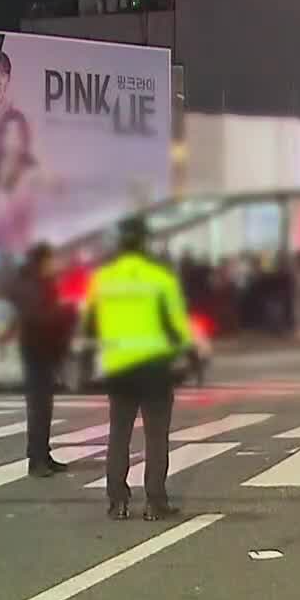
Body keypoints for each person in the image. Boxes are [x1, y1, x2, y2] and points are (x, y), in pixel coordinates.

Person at [87, 218, 194, 520]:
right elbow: (179, 329)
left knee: (118, 435)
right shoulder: (160, 278)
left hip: (119, 368)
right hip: (154, 368)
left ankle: (117, 502)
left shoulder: (103, 279)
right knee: (156, 437)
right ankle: (154, 503)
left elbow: (91, 324)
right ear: (145, 243)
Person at [10, 243, 73, 476]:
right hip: (36, 349)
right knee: (38, 407)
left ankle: (43, 455)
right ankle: (36, 460)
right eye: (50, 261)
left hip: (44, 349)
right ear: (41, 262)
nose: (53, 265)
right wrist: (65, 313)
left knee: (43, 407)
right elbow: (38, 316)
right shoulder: (30, 285)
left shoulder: (36, 283)